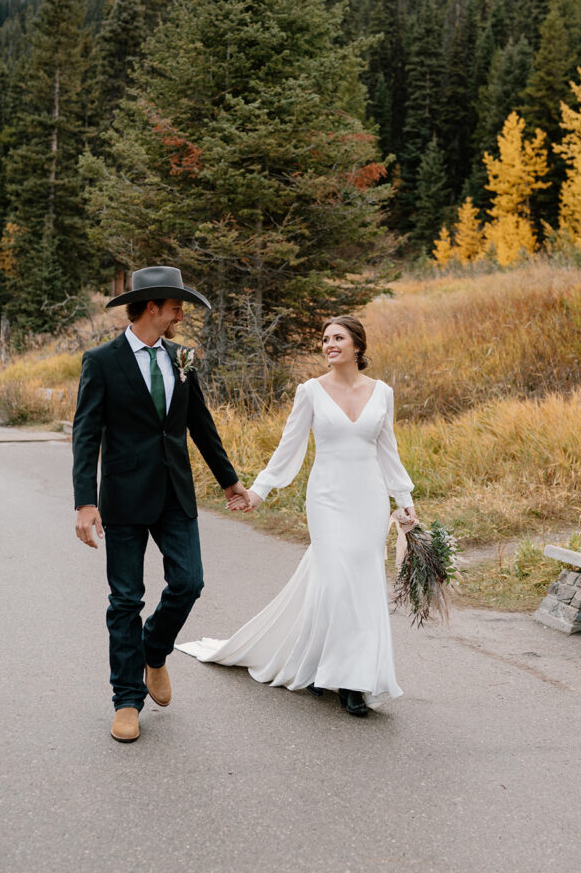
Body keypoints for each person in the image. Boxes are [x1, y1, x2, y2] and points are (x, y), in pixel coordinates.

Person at [176, 315, 415, 717]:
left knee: (363, 583)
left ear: (358, 345)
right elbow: (288, 449)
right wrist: (259, 491)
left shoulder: (382, 393)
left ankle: (345, 672)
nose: (329, 345)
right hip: (327, 499)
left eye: (338, 338)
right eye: (324, 339)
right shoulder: (311, 391)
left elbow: (386, 450)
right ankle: (347, 682)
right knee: (338, 582)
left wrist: (404, 498)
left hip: (369, 499)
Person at [72, 265, 251, 743]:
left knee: (189, 581)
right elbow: (86, 436)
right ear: (154, 307)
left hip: (176, 491)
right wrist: (85, 503)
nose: (180, 314)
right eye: (176, 306)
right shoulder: (102, 361)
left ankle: (154, 650)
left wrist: (230, 481)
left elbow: (200, 423)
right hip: (125, 496)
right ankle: (127, 700)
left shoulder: (183, 357)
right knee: (126, 599)